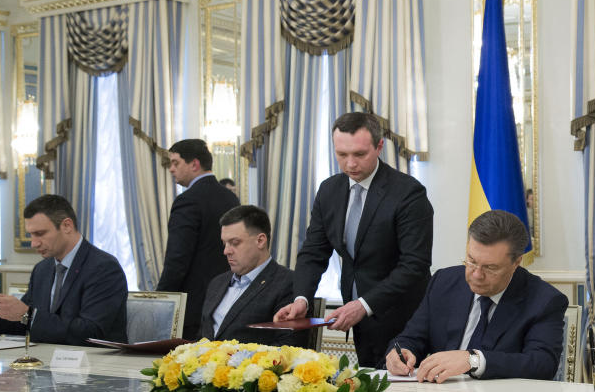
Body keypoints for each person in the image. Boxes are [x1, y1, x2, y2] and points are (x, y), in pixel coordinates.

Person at [274, 112, 433, 367]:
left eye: (359, 154)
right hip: (360, 324)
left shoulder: (408, 193)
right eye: (341, 155)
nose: (350, 164)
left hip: (403, 321)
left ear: (379, 146)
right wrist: (301, 298)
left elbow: (415, 265)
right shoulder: (329, 190)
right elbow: (313, 252)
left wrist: (364, 305)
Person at [385, 210, 567, 382]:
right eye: (471, 261)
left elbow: (542, 364)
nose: (476, 274)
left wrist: (473, 360)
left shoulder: (544, 300)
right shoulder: (444, 282)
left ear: (516, 262)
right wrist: (400, 353)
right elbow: (411, 337)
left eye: (490, 267)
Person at [0, 195, 127, 345]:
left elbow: (91, 332)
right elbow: (23, 323)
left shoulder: (104, 267)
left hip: (97, 364)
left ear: (67, 226)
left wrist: (27, 315)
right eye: (30, 235)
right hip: (47, 361)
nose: (33, 243)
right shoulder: (41, 270)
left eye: (40, 234)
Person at [157, 139, 240, 339]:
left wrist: (160, 299)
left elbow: (177, 258)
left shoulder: (187, 201)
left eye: (176, 163)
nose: (171, 169)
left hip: (192, 307)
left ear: (194, 164)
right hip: (226, 299)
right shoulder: (230, 198)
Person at [200, 205, 311, 346]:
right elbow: (202, 336)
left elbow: (288, 348)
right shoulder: (217, 283)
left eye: (234, 243)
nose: (226, 251)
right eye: (224, 244)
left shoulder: (289, 283)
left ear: (260, 241)